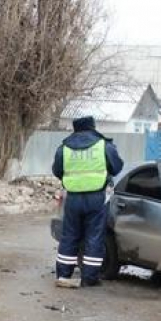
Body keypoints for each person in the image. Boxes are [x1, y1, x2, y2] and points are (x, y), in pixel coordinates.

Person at [51, 116, 124, 288]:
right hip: (96, 198)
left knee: (69, 236)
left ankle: (63, 275)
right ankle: (90, 277)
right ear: (92, 127)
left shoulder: (64, 148)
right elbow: (117, 167)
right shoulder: (103, 145)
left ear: (75, 129)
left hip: (73, 198)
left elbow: (57, 170)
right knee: (94, 236)